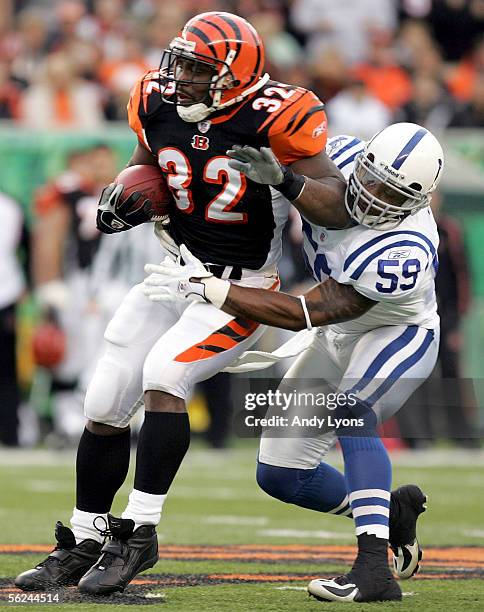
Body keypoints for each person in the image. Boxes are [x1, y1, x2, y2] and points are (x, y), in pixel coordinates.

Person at [15, 11, 349, 595]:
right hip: (173, 273)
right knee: (102, 399)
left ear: (235, 77)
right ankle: (87, 537)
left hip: (240, 290)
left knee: (165, 374)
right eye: (181, 63)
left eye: (197, 69)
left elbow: (338, 207)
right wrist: (124, 194)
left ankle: (138, 534)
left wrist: (287, 180)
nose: (179, 78)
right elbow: (147, 163)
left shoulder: (279, 115)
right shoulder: (155, 98)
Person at [142, 122, 444, 603]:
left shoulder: (404, 248)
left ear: (420, 200)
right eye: (370, 177)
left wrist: (215, 288)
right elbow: (311, 193)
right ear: (360, 160)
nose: (371, 194)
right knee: (281, 474)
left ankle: (374, 570)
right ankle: (390, 514)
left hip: (394, 331)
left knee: (352, 410)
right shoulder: (339, 158)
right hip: (335, 335)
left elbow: (308, 312)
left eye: (390, 191)